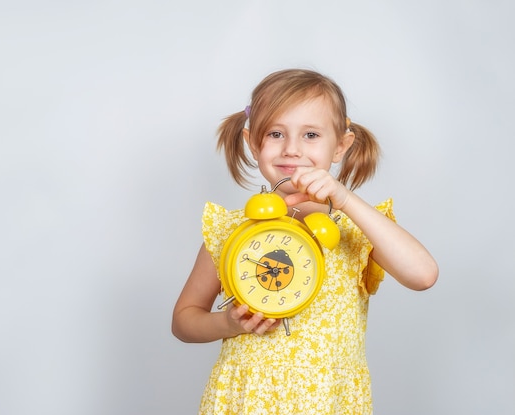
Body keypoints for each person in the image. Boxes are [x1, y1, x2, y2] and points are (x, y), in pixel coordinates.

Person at [171, 68, 438, 415]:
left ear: (341, 145)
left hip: (328, 404)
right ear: (254, 143)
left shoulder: (356, 229)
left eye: (311, 134)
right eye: (275, 133)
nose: (292, 149)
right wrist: (227, 324)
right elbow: (183, 320)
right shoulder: (232, 231)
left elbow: (424, 275)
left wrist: (346, 201)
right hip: (247, 402)